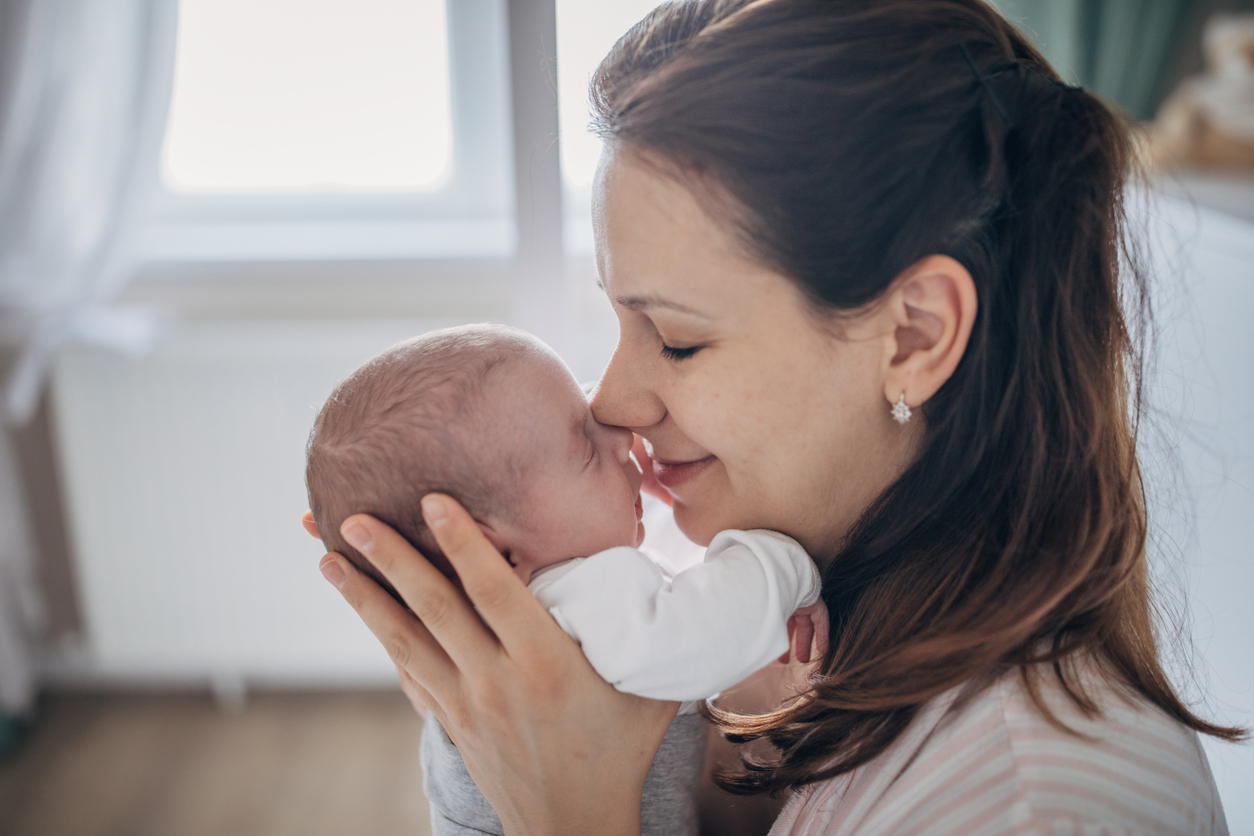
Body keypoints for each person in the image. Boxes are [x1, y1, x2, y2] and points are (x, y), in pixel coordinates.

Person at [311, 1, 1246, 833]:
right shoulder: (810, 625)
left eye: (676, 339)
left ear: (914, 335)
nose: (611, 402)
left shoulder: (1030, 806)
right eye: (619, 318)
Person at [301, 324, 826, 836]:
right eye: (584, 443)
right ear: (495, 553)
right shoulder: (572, 596)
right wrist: (782, 562)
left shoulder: (509, 613)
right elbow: (699, 632)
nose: (621, 434)